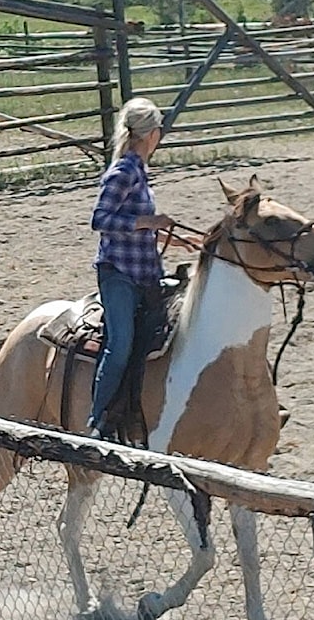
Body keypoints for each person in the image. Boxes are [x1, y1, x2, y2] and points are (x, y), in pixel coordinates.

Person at [87, 97, 197, 439]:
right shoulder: (123, 171)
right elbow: (100, 219)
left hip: (144, 269)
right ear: (153, 134)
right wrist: (149, 220)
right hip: (119, 273)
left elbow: (136, 225)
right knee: (119, 345)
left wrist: (174, 240)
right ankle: (97, 421)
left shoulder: (140, 171)